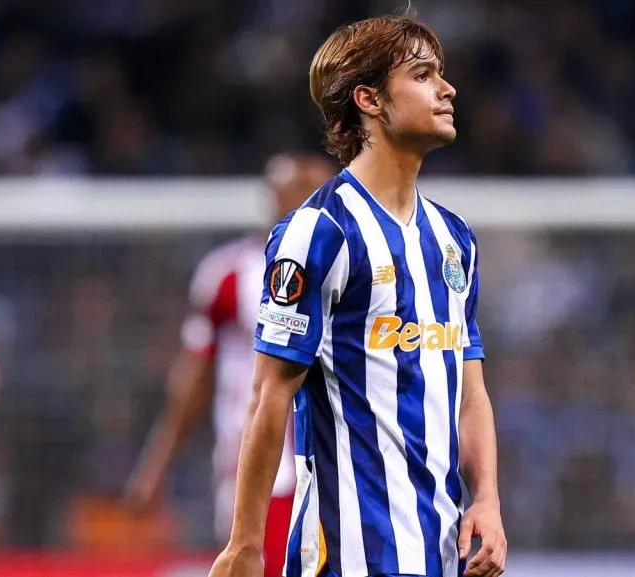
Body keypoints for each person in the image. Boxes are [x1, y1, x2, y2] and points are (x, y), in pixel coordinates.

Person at [209, 15, 507, 577]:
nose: (447, 89)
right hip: (348, 553)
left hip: (442, 551)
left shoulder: (454, 240)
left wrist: (487, 500)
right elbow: (268, 395)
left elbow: (470, 391)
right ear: (369, 99)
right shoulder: (319, 231)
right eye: (423, 75)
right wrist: (246, 543)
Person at [126, 152, 336, 577]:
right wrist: (156, 464)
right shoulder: (227, 275)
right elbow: (194, 380)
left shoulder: (351, 267)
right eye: (294, 190)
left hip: (336, 460)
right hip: (261, 465)